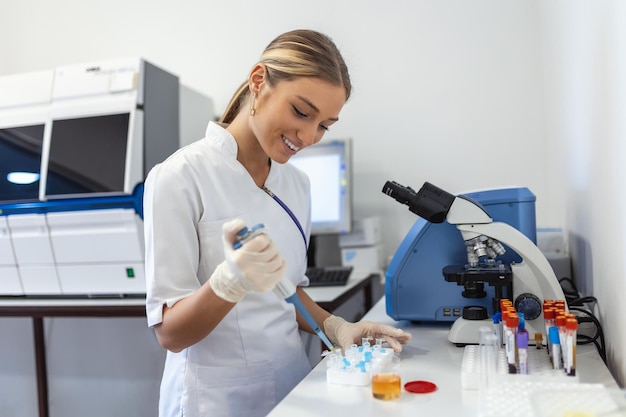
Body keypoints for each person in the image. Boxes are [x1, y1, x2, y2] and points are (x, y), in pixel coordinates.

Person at [143, 29, 412, 417]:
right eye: (301, 112)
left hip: (294, 387)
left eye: (324, 124)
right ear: (259, 81)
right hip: (217, 399)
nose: (308, 136)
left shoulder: (296, 183)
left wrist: (337, 327)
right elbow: (171, 333)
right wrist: (229, 282)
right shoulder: (180, 177)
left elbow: (286, 292)